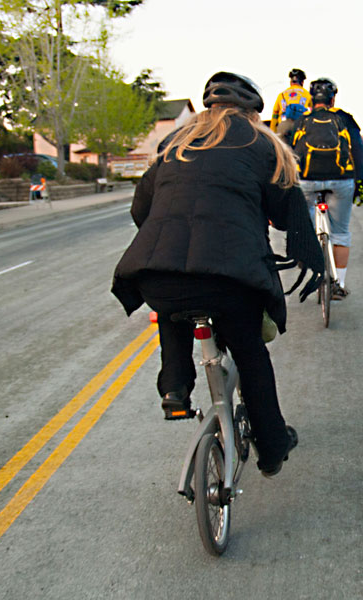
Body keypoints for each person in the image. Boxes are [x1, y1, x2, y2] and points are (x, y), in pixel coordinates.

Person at [112, 72, 324, 477]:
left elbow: (142, 210)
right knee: (250, 352)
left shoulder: (174, 144)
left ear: (207, 108)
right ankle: (273, 446)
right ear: (252, 112)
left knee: (174, 295)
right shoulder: (261, 144)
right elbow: (285, 216)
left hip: (159, 273)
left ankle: (175, 387)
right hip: (231, 279)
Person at [290, 77, 363, 299]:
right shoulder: (344, 119)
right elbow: (359, 153)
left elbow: (289, 152)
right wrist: (359, 181)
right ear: (333, 98)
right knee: (340, 233)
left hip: (306, 180)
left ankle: (306, 253)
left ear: (311, 99)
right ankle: (338, 284)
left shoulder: (302, 120)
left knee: (304, 225)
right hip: (341, 179)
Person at [270, 68, 312, 139]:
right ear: (302, 82)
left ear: (291, 81)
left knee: (281, 148)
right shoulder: (307, 94)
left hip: (283, 126)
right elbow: (313, 112)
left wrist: (272, 132)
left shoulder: (282, 95)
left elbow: (275, 115)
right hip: (300, 126)